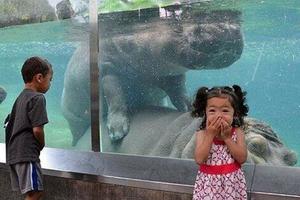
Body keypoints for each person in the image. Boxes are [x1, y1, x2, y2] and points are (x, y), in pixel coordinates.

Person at [5, 56, 53, 200]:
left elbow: (9, 124)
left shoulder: (20, 97)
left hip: (14, 153)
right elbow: (37, 129)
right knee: (35, 192)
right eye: (50, 79)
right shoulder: (38, 98)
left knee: (31, 191)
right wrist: (41, 144)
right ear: (39, 77)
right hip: (27, 154)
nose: (50, 83)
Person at [191, 85, 249, 200]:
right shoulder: (202, 133)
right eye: (212, 110)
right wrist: (210, 135)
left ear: (235, 113)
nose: (219, 115)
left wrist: (227, 138)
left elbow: (242, 158)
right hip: (208, 187)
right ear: (205, 113)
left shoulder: (237, 132)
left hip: (232, 185)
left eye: (225, 110)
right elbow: (199, 159)